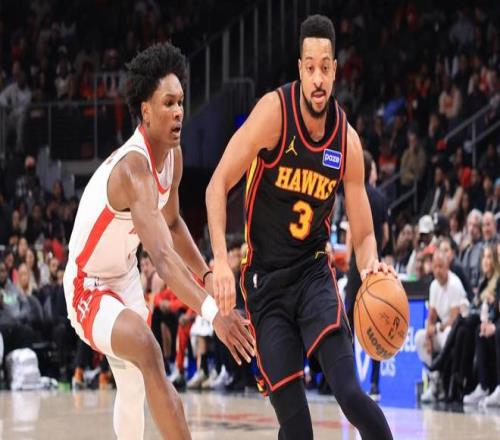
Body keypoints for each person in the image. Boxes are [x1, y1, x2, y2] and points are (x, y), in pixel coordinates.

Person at [206, 15, 393, 440]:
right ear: (300, 69)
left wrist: (372, 266)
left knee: (351, 395)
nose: (318, 78)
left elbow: (364, 234)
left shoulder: (347, 142)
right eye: (310, 67)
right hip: (265, 285)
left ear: (335, 70)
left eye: (325, 67)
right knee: (296, 427)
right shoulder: (273, 114)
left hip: (312, 275)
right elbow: (217, 184)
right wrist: (219, 259)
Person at [63, 42, 254, 440]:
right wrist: (214, 314)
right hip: (87, 284)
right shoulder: (134, 170)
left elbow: (174, 223)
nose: (179, 111)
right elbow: (164, 259)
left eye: (181, 101)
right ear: (146, 111)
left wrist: (206, 276)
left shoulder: (173, 156)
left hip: (123, 278)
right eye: (168, 103)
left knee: (134, 384)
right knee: (149, 350)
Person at [345, 150, 389, 401]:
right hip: (375, 262)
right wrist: (377, 252)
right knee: (378, 321)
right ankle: (375, 383)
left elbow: (353, 233)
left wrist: (350, 256)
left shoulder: (354, 194)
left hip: (357, 263)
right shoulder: (381, 197)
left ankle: (350, 380)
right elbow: (385, 234)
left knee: (350, 321)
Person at [415, 251, 467, 402]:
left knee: (448, 334)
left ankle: (445, 381)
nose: (438, 270)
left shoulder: (454, 284)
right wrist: (429, 335)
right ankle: (434, 378)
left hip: (457, 330)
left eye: (441, 267)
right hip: (443, 328)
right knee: (420, 337)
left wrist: (436, 328)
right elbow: (431, 317)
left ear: (447, 267)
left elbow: (455, 319)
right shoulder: (433, 286)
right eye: (435, 267)